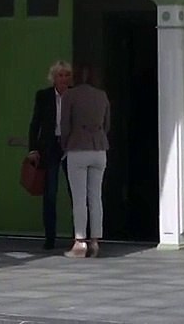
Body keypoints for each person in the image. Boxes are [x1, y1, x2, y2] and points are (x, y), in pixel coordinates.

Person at [60, 64, 111, 258]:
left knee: (79, 198)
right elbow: (107, 124)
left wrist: (65, 144)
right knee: (95, 197)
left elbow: (64, 124)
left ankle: (80, 242)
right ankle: (96, 241)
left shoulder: (70, 96)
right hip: (99, 147)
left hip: (77, 147)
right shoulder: (102, 95)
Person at [28, 60, 72, 250]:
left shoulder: (74, 95)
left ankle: (80, 236)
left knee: (75, 192)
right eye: (60, 75)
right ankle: (50, 237)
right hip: (50, 147)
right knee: (50, 193)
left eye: (66, 75)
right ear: (53, 78)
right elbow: (35, 123)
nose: (63, 79)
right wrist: (33, 149)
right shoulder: (44, 96)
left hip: (70, 146)